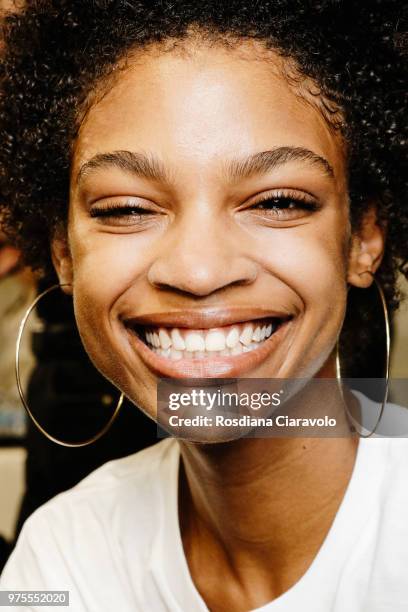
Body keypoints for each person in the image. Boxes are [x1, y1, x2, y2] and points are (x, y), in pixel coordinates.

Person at [0, 1, 407, 611]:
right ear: (64, 252)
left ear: (363, 237)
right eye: (126, 208)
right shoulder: (60, 557)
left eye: (278, 201)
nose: (198, 271)